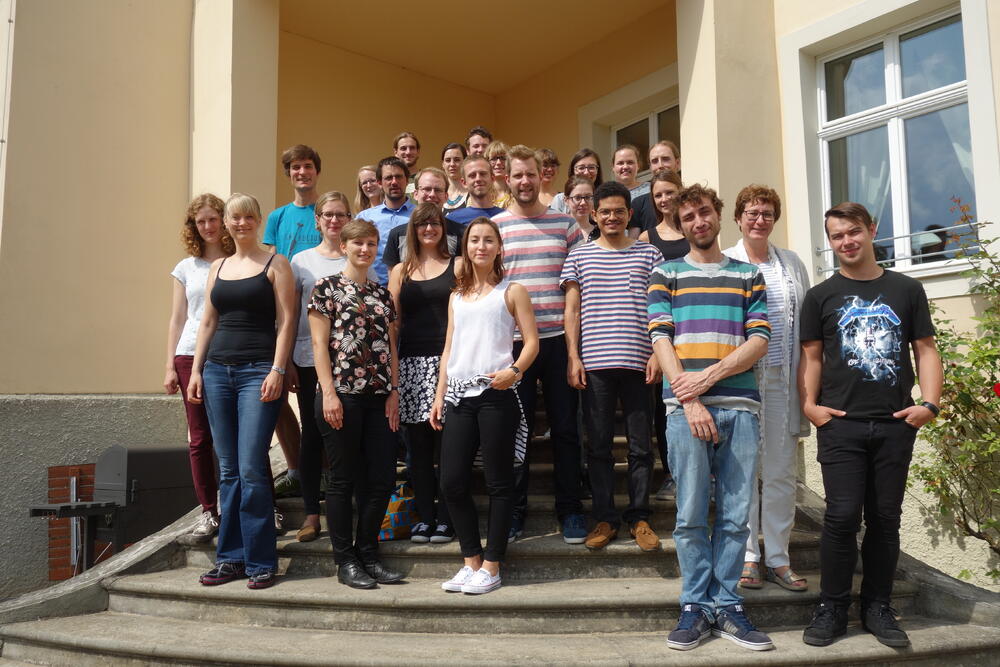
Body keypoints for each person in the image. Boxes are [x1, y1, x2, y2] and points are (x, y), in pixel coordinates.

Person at [800, 202, 942, 649]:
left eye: (853, 232)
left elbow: (925, 349)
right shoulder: (820, 296)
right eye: (838, 235)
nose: (847, 241)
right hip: (840, 424)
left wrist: (930, 405)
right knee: (841, 517)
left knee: (885, 519)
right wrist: (810, 406)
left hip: (894, 423)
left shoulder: (906, 289)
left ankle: (877, 606)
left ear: (871, 230)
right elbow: (812, 358)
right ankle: (833, 607)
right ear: (831, 241)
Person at [648, 184, 773, 651]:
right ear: (680, 227)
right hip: (686, 414)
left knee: (737, 516)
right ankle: (694, 606)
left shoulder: (748, 276)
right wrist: (692, 399)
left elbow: (759, 340)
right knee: (690, 514)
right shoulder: (666, 273)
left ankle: (727, 604)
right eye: (688, 218)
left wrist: (708, 378)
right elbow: (661, 339)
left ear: (719, 215)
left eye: (704, 213)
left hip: (740, 408)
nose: (698, 222)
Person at [187, 193, 297, 591]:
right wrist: (197, 370)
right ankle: (230, 558)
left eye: (249, 217)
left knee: (252, 468)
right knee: (229, 469)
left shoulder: (275, 263)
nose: (242, 223)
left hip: (257, 373)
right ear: (228, 223)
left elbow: (286, 323)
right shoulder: (218, 266)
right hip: (217, 372)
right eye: (235, 217)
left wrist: (277, 370)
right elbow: (207, 323)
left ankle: (261, 559)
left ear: (258, 221)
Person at [431, 217, 538, 595]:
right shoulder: (455, 296)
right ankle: (470, 560)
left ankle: (492, 565)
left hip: (496, 396)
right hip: (459, 396)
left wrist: (515, 371)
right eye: (474, 240)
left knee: (498, 482)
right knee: (452, 481)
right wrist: (439, 393)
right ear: (466, 247)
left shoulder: (513, 291)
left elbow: (531, 343)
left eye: (488, 240)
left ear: (498, 247)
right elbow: (448, 349)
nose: (480, 246)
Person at [562, 181, 664, 552]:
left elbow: (661, 309)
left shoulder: (650, 255)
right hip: (596, 364)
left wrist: (658, 352)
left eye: (618, 211)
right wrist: (573, 356)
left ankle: (640, 517)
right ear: (594, 214)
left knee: (640, 446)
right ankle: (604, 517)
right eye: (604, 211)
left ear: (629, 214)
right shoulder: (579, 256)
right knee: (599, 446)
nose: (611, 217)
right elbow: (571, 310)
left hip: (640, 362)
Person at [719, 185, 811, 594]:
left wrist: (808, 388)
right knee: (741, 471)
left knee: (780, 471)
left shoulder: (790, 263)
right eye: (752, 213)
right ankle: (747, 557)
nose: (760, 220)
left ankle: (778, 556)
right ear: (738, 218)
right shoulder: (725, 262)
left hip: (782, 379)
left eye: (767, 213)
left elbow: (806, 330)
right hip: (741, 380)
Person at [494, 144, 587, 544]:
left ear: (539, 175)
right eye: (517, 175)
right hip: (512, 346)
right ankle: (514, 511)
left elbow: (578, 290)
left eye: (530, 173)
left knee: (566, 431)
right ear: (508, 179)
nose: (525, 181)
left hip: (556, 343)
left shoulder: (566, 225)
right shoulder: (495, 227)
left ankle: (570, 510)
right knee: (515, 431)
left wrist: (574, 351)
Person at [308, 219, 403, 590]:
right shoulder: (326, 288)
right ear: (344, 246)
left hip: (379, 396)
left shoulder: (383, 294)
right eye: (358, 243)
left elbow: (391, 347)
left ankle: (368, 554)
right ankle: (344, 560)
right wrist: (328, 392)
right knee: (343, 479)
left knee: (380, 480)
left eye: (371, 243)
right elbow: (319, 345)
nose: (365, 249)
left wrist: (394, 390)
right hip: (342, 395)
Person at [288, 191, 375, 542]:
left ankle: (350, 509)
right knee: (313, 437)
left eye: (341, 215)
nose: (334, 220)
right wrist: (289, 360)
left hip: (354, 368)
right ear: (318, 220)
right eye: (328, 215)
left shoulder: (360, 254)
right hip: (311, 361)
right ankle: (312, 512)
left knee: (354, 442)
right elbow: (291, 314)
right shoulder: (302, 261)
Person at [389, 203, 460, 544]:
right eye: (422, 224)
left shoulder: (458, 266)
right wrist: (393, 374)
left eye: (435, 223)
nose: (429, 229)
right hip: (412, 365)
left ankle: (447, 518)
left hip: (452, 362)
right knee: (417, 448)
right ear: (413, 231)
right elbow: (393, 325)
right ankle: (425, 517)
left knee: (448, 447)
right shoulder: (400, 270)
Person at [164, 193, 233, 540]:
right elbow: (177, 319)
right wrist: (168, 366)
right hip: (189, 355)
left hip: (229, 352)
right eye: (200, 221)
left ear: (224, 221)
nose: (207, 227)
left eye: (213, 219)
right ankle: (209, 512)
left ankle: (260, 505)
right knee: (200, 439)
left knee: (235, 436)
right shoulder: (186, 267)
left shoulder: (238, 260)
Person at [263, 145, 323, 504]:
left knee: (322, 402)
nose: (302, 173)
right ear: (289, 173)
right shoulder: (277, 217)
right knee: (278, 399)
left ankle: (326, 471)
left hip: (323, 318)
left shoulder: (327, 210)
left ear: (317, 171)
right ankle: (297, 469)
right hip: (283, 314)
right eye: (296, 168)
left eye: (308, 166)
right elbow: (271, 263)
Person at [638, 169, 688, 501]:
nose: (665, 199)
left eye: (670, 192)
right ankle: (671, 473)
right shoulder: (646, 239)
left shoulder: (696, 231)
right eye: (658, 195)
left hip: (696, 327)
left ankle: (703, 473)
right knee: (663, 407)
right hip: (663, 333)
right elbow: (644, 293)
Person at [382, 168, 465, 268]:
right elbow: (393, 279)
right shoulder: (397, 235)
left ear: (446, 196)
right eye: (427, 189)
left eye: (438, 190)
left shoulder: (461, 233)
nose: (432, 195)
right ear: (415, 194)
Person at [356, 156, 413, 285]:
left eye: (398, 177)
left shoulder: (419, 216)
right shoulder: (364, 218)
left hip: (412, 289)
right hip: (373, 290)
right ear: (380, 183)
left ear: (407, 180)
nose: (394, 182)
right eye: (388, 178)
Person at [629, 141, 682, 238]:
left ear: (677, 163)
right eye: (654, 161)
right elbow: (633, 245)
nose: (660, 165)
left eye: (665, 159)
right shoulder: (638, 203)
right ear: (650, 167)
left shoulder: (691, 199)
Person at [446, 156, 505, 226]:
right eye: (472, 175)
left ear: (492, 178)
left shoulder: (506, 217)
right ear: (464, 183)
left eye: (483, 174)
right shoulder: (452, 220)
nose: (478, 179)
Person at [550, 148, 603, 214]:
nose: (586, 172)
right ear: (573, 170)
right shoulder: (560, 200)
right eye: (581, 168)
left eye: (591, 167)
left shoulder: (605, 198)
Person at [563, 176, 596, 241]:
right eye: (577, 198)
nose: (583, 203)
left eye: (588, 197)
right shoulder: (559, 232)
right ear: (566, 200)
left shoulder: (603, 233)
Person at [441, 142, 469, 211]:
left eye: (457, 160)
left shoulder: (472, 193)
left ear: (465, 162)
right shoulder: (437, 193)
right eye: (448, 160)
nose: (452, 164)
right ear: (443, 164)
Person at [485, 140, 512, 209]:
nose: (498, 162)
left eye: (503, 158)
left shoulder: (516, 192)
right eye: (493, 159)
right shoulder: (482, 192)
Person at [393, 131, 421, 196]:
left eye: (412, 148)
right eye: (403, 148)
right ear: (395, 152)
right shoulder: (391, 181)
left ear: (418, 151)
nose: (408, 152)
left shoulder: (426, 179)